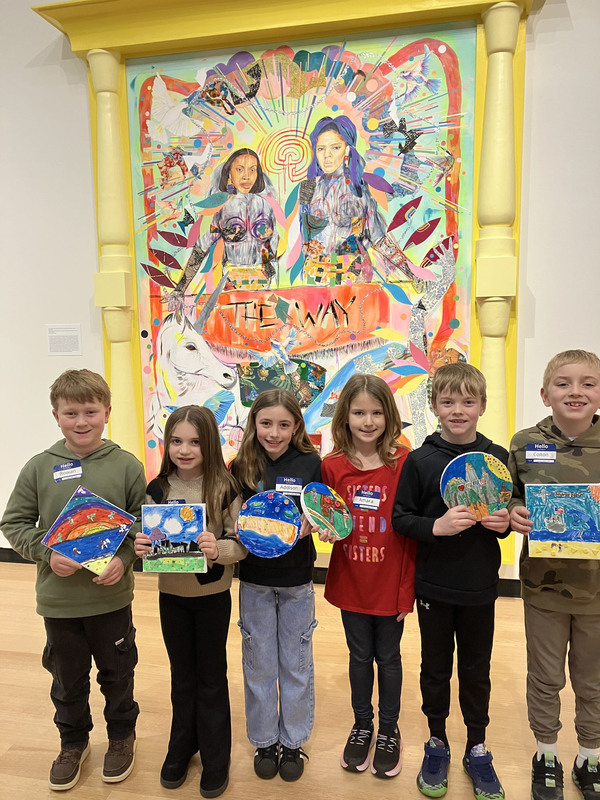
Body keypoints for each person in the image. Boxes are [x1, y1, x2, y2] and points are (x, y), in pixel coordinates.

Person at [0, 369, 146, 791]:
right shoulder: (39, 468)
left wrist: (123, 559)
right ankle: (73, 742)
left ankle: (121, 737)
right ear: (55, 415)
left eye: (90, 411)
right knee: (66, 678)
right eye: (70, 413)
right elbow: (15, 522)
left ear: (107, 413)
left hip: (111, 599)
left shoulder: (125, 465)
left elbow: (143, 523)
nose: (81, 421)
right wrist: (48, 553)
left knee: (118, 673)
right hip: (60, 602)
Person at [392, 362, 510, 800]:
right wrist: (435, 527)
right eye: (448, 401)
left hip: (480, 586)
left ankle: (477, 746)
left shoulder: (496, 458)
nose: (458, 410)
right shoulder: (419, 460)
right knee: (435, 668)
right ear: (435, 406)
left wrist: (504, 523)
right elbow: (401, 518)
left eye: (467, 401)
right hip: (434, 588)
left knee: (477, 670)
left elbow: (510, 510)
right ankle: (437, 741)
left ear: (481, 405)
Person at [134, 405, 245, 798]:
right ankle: (182, 746)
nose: (184, 449)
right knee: (182, 677)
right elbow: (141, 540)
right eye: (176, 441)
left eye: (195, 441)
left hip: (213, 597)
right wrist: (140, 545)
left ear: (209, 444)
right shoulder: (157, 488)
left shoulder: (224, 486)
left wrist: (219, 550)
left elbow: (240, 543)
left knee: (212, 677)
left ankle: (217, 756)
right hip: (172, 597)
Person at [508, 349, 600, 800]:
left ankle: (589, 756)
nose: (576, 391)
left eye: (588, 383)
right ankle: (546, 752)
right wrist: (513, 513)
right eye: (563, 383)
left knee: (594, 679)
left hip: (599, 594)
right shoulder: (524, 443)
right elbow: (506, 499)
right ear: (545, 394)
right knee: (545, 676)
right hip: (542, 587)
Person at [314, 374, 416, 779]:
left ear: (389, 416)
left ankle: (389, 730)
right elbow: (327, 519)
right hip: (351, 581)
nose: (368, 421)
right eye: (359, 413)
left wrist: (407, 591)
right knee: (359, 656)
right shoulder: (332, 466)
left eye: (376, 412)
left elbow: (411, 529)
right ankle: (363, 725)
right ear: (346, 416)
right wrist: (322, 528)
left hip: (391, 584)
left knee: (388, 657)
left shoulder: (404, 463)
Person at [229, 389, 321, 782]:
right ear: (254, 424)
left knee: (296, 663)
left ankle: (294, 740)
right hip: (254, 579)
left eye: (284, 424)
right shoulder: (241, 465)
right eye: (266, 423)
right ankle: (265, 739)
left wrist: (313, 523)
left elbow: (323, 509)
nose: (274, 432)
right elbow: (231, 513)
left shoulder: (310, 463)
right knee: (259, 662)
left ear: (296, 426)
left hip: (297, 577)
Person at [298, 115, 428, 287]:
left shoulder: (359, 189)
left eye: (335, 147)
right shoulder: (307, 188)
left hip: (351, 277)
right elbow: (305, 241)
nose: (327, 155)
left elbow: (379, 238)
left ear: (346, 150)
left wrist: (411, 272)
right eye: (321, 149)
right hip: (314, 278)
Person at [173, 147, 279, 296]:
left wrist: (268, 275)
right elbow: (200, 250)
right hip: (230, 287)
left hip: (262, 288)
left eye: (252, 170)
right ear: (229, 172)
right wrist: (179, 290)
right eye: (240, 170)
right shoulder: (220, 208)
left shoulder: (266, 206)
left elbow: (272, 251)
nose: (246, 177)